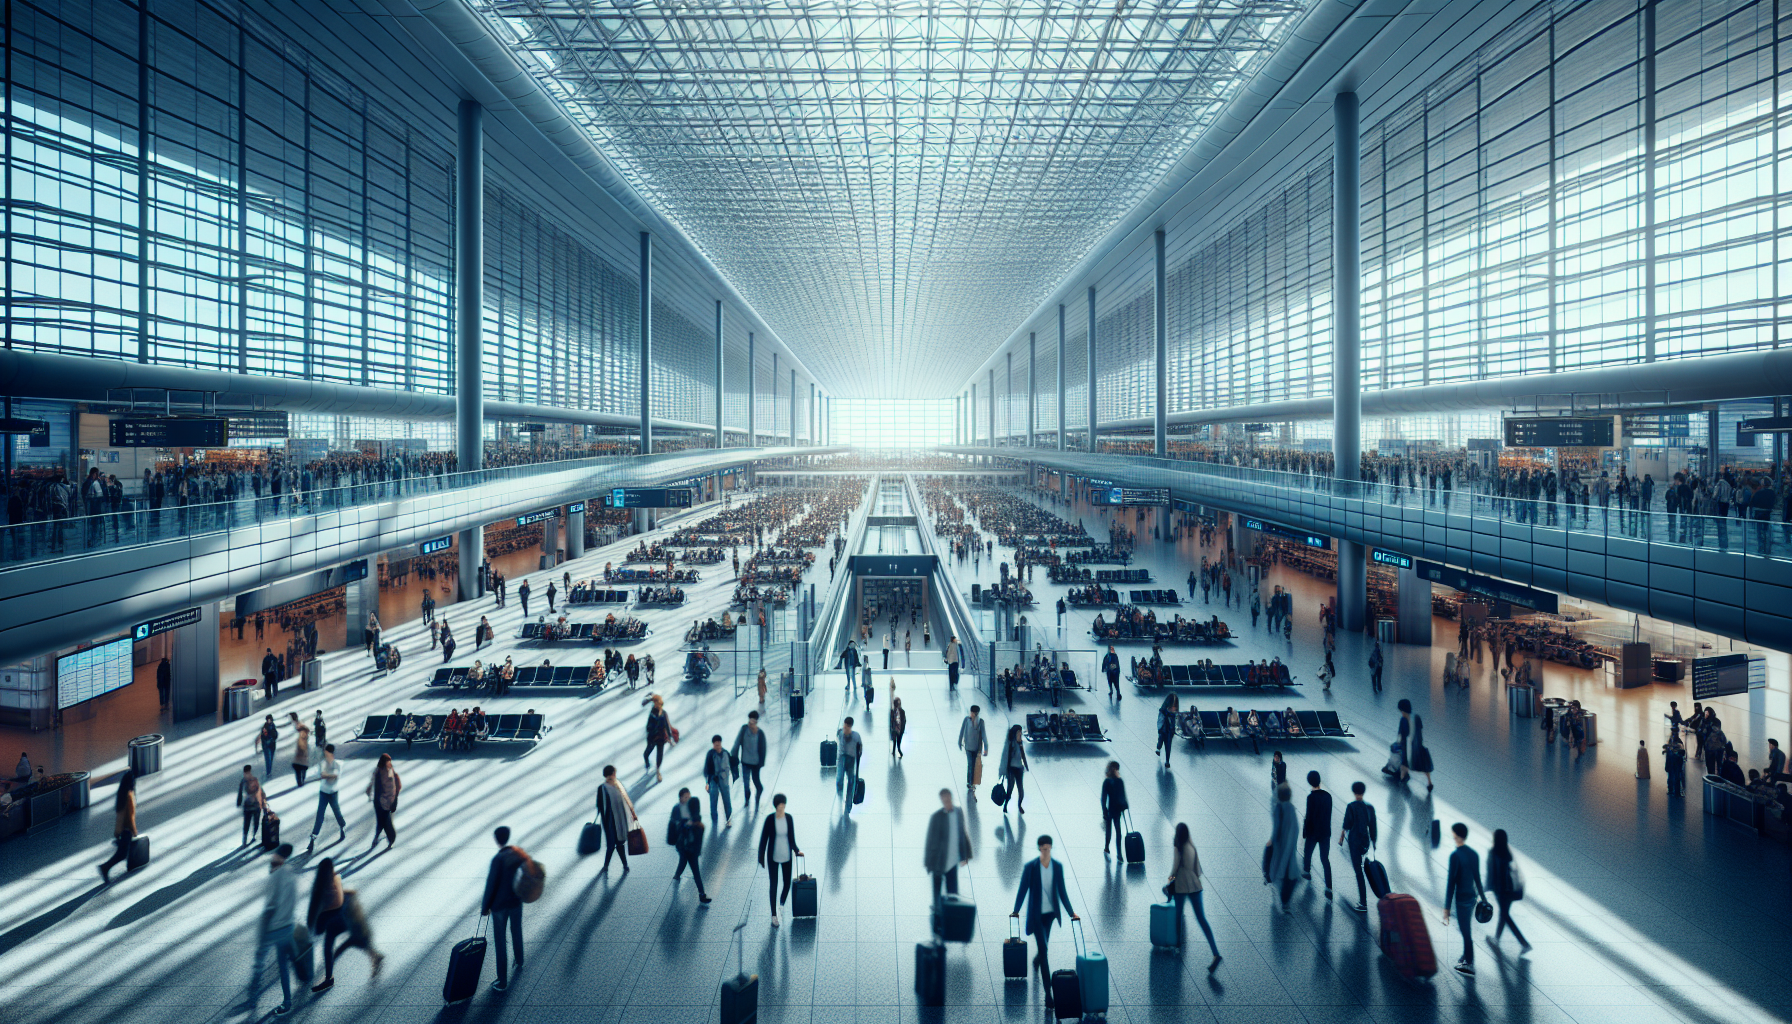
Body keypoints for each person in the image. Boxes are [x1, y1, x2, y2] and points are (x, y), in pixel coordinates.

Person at [1010, 834, 1079, 1009]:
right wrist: (1016, 910)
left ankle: (1037, 959)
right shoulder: (1031, 867)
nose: (1047, 851)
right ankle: (1048, 995)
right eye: (1044, 848)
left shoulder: (1057, 867)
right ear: (1040, 848)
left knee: (1043, 947)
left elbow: (1062, 891)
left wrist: (1072, 912)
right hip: (1036, 915)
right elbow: (1023, 889)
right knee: (1045, 951)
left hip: (1050, 915)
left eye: (1049, 848)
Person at [306, 857, 383, 993]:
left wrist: (315, 923)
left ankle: (329, 978)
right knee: (350, 943)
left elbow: (320, 905)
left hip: (335, 922)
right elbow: (338, 897)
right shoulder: (336, 878)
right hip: (344, 919)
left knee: (331, 948)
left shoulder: (321, 885)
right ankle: (375, 955)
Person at [245, 842, 298, 1016]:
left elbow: (270, 907)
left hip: (273, 928)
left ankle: (252, 998)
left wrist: (262, 933)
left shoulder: (276, 876)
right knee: (283, 966)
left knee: (260, 960)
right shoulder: (292, 875)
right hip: (287, 926)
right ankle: (287, 1001)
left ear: (278, 856)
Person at [1168, 822, 1221, 970]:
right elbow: (1198, 869)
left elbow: (1174, 867)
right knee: (1201, 919)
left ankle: (1178, 946)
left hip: (1182, 885)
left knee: (1178, 916)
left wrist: (1170, 879)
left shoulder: (1178, 847)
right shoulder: (1192, 846)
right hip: (1196, 886)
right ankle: (1215, 953)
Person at [482, 826, 528, 992]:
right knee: (516, 931)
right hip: (516, 901)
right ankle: (520, 960)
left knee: (500, 941)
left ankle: (502, 981)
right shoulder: (518, 854)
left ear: (497, 839)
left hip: (499, 906)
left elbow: (491, 885)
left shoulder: (498, 859)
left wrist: (485, 907)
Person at [1441, 822, 1483, 975]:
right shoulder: (1473, 854)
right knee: (1466, 927)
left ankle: (1469, 963)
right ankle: (1465, 955)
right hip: (1472, 897)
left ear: (1456, 835)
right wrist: (1483, 898)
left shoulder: (1455, 856)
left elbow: (1451, 883)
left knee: (1465, 931)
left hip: (1461, 900)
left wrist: (1446, 907)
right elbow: (1477, 878)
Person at [756, 794, 802, 926]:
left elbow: (792, 838)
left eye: (784, 806)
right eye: (780, 806)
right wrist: (761, 856)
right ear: (776, 806)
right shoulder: (770, 819)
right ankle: (773, 915)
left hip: (786, 855)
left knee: (787, 883)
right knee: (774, 884)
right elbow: (764, 838)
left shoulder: (789, 819)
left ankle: (781, 903)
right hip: (773, 857)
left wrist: (797, 851)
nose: (782, 808)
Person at [924, 788, 972, 905]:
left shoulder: (959, 813)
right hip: (938, 862)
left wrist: (967, 855)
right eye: (944, 801)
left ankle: (950, 916)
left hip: (952, 861)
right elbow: (930, 841)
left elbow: (962, 833)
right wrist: (928, 863)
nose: (946, 803)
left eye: (947, 800)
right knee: (937, 893)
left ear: (951, 798)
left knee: (952, 894)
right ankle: (937, 914)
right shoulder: (936, 817)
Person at [1486, 828, 1530, 953]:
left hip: (1500, 890)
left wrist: (1486, 889)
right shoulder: (1507, 852)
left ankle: (1524, 942)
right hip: (1511, 889)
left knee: (1505, 915)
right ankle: (1497, 939)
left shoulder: (1493, 852)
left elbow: (1491, 873)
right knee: (1504, 914)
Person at [1337, 781, 1378, 913]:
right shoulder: (1370, 808)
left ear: (1354, 792)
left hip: (1354, 841)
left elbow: (1347, 824)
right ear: (1363, 792)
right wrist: (1374, 842)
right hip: (1365, 842)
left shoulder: (1351, 806)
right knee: (1362, 867)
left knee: (1358, 872)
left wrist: (1342, 836)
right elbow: (1373, 827)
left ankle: (1363, 903)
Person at [1264, 782, 1301, 913]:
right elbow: (1295, 828)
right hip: (1288, 847)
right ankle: (1285, 901)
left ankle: (1268, 877)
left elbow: (1276, 828)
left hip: (1280, 846)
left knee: (1280, 869)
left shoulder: (1279, 808)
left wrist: (1272, 841)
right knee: (1291, 875)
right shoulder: (1290, 808)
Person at [670, 790, 711, 904]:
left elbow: (698, 822)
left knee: (686, 863)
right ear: (680, 798)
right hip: (682, 845)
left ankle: (677, 875)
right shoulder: (677, 809)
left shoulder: (692, 807)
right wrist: (684, 824)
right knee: (693, 868)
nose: (688, 799)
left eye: (689, 796)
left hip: (691, 846)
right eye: (685, 797)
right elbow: (674, 825)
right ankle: (701, 894)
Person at [596, 765, 639, 873]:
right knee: (611, 845)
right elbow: (600, 805)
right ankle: (606, 866)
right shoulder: (602, 788)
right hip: (609, 821)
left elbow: (626, 800)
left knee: (620, 843)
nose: (615, 775)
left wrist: (632, 813)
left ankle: (624, 865)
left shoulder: (618, 785)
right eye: (614, 773)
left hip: (620, 820)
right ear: (610, 774)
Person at [97, 769, 137, 883]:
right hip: (126, 830)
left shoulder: (122, 794)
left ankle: (106, 867)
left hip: (123, 830)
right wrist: (133, 830)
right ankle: (105, 867)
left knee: (122, 854)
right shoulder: (128, 796)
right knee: (121, 854)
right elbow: (128, 816)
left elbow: (120, 814)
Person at [306, 744, 347, 852]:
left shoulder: (338, 764)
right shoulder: (323, 763)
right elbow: (324, 775)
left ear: (330, 753)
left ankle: (342, 827)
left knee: (337, 812)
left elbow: (333, 776)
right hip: (324, 792)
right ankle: (313, 837)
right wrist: (328, 775)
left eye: (326, 752)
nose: (325, 753)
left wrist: (326, 775)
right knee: (320, 814)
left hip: (333, 793)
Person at [1301, 770, 1334, 899]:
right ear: (1319, 780)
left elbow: (1309, 816)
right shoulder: (1328, 796)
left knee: (1307, 852)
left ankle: (1307, 871)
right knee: (1325, 859)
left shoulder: (1311, 797)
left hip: (1313, 832)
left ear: (1309, 782)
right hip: (1325, 832)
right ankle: (1329, 887)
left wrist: (1305, 832)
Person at [366, 753, 400, 852]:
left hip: (383, 801)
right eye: (388, 762)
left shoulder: (386, 771)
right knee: (383, 821)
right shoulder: (381, 771)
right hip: (380, 801)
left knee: (382, 821)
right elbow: (374, 783)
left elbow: (392, 786)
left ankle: (378, 838)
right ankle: (389, 839)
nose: (390, 764)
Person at [731, 711, 767, 804]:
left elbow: (763, 748)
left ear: (756, 722)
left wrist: (761, 763)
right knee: (746, 783)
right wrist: (733, 756)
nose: (750, 724)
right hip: (745, 762)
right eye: (749, 721)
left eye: (753, 722)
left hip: (756, 763)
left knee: (756, 780)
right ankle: (747, 798)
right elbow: (737, 743)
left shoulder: (760, 734)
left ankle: (758, 792)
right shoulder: (744, 730)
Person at [703, 735, 734, 830]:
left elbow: (730, 765)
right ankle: (714, 821)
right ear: (713, 744)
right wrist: (707, 783)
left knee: (727, 800)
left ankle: (728, 819)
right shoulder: (710, 754)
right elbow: (706, 770)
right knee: (713, 801)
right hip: (713, 780)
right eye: (716, 745)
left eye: (719, 744)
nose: (718, 747)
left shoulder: (725, 753)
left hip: (724, 780)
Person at [958, 705, 988, 799]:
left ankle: (972, 781)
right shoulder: (966, 720)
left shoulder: (980, 722)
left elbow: (984, 735)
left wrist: (986, 747)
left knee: (974, 766)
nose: (970, 714)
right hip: (968, 747)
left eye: (972, 712)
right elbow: (962, 731)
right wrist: (959, 741)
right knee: (970, 764)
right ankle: (970, 782)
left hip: (976, 748)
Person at [643, 693, 675, 781]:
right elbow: (648, 728)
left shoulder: (664, 713)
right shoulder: (652, 714)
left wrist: (670, 738)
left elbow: (667, 726)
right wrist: (654, 729)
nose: (658, 705)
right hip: (652, 738)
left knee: (659, 755)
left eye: (659, 703)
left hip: (661, 737)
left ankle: (658, 771)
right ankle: (647, 763)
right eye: (656, 703)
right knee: (647, 753)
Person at [998, 724, 1028, 813]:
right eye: (1019, 732)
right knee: (1010, 789)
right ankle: (1005, 805)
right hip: (1011, 769)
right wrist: (1005, 771)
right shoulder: (1011, 743)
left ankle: (1019, 805)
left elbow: (1022, 755)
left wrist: (1026, 765)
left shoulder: (1020, 742)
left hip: (1019, 769)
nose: (1020, 733)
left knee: (1021, 790)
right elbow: (1007, 757)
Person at [835, 717, 863, 811]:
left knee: (851, 781)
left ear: (850, 726)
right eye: (844, 725)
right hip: (842, 758)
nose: (845, 727)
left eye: (847, 726)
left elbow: (860, 749)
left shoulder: (856, 736)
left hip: (851, 759)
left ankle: (848, 804)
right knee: (839, 779)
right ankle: (840, 798)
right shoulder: (840, 733)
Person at [1100, 761, 1128, 855]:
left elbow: (1103, 798)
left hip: (1110, 809)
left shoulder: (1107, 781)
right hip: (1118, 809)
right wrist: (1124, 806)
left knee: (1109, 830)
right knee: (1118, 830)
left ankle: (1107, 847)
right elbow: (1122, 795)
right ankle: (1119, 852)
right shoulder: (1119, 781)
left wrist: (1104, 810)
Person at [238, 765, 267, 846]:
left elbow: (240, 794)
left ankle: (245, 838)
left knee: (247, 823)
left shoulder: (243, 781)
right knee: (255, 822)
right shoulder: (255, 780)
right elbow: (261, 792)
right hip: (256, 805)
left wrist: (239, 802)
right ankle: (253, 836)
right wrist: (264, 803)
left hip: (248, 806)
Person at [288, 712, 311, 786]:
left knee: (300, 766)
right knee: (300, 766)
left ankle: (301, 781)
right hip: (301, 752)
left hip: (301, 751)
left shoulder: (300, 728)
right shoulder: (298, 726)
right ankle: (301, 781)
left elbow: (302, 739)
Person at [1156, 694, 1179, 768]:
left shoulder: (1173, 715)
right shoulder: (1163, 712)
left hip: (1169, 731)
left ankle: (1167, 761)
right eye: (1172, 706)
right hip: (1163, 730)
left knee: (1168, 745)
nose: (1173, 708)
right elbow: (1160, 721)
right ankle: (1158, 748)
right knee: (1161, 739)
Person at [257, 714, 279, 779]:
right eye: (268, 720)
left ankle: (269, 770)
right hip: (266, 745)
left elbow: (275, 734)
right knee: (268, 758)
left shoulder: (273, 726)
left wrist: (273, 738)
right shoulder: (265, 727)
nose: (269, 721)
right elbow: (263, 736)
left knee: (271, 758)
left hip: (272, 744)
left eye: (270, 719)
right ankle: (268, 772)